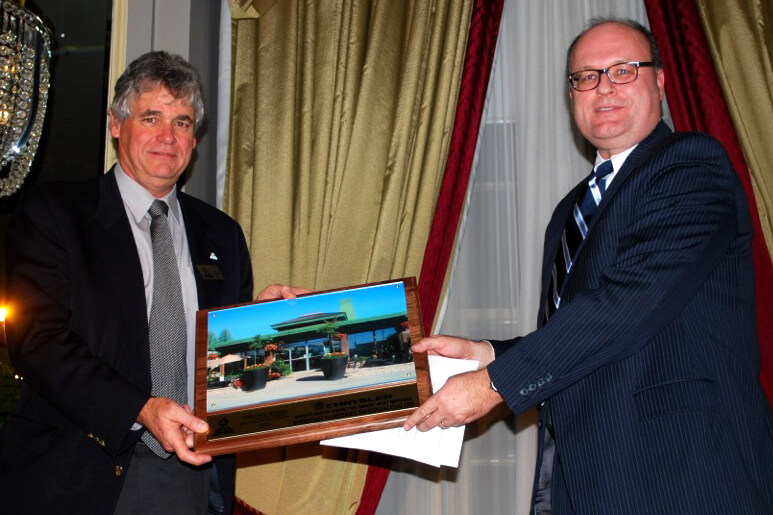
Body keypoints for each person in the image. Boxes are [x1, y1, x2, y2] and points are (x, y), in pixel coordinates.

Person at [404, 18, 773, 513]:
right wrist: (485, 353)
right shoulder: (570, 211)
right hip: (589, 477)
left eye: (623, 70)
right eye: (587, 76)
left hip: (685, 473)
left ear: (660, 81)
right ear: (572, 95)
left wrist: (493, 385)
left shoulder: (690, 164)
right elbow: (581, 331)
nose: (604, 88)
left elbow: (630, 301)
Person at [0, 51, 258, 514]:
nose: (167, 137)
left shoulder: (222, 235)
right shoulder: (55, 216)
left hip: (189, 477)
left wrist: (266, 318)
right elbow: (38, 342)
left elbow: (224, 356)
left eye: (182, 123)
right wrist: (140, 408)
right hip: (78, 476)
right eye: (151, 117)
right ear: (116, 124)